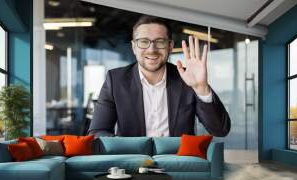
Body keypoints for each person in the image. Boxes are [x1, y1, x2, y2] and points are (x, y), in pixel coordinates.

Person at [88, 15, 230, 137]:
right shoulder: (115, 80)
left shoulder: (187, 78)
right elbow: (97, 132)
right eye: (144, 42)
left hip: (179, 165)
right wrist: (126, 146)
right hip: (132, 165)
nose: (152, 50)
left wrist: (201, 89)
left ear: (170, 46)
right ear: (133, 47)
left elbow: (221, 130)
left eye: (160, 42)